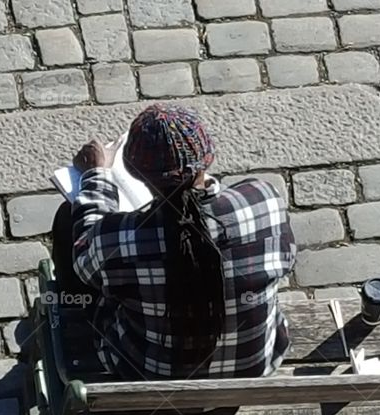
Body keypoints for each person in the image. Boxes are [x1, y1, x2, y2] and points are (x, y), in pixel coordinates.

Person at [50, 104, 296, 380]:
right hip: (252, 369)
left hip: (145, 377)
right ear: (207, 159)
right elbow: (287, 260)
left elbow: (85, 257)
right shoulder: (265, 202)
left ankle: (69, 314)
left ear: (134, 172)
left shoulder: (115, 241)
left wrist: (96, 175)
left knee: (67, 221)